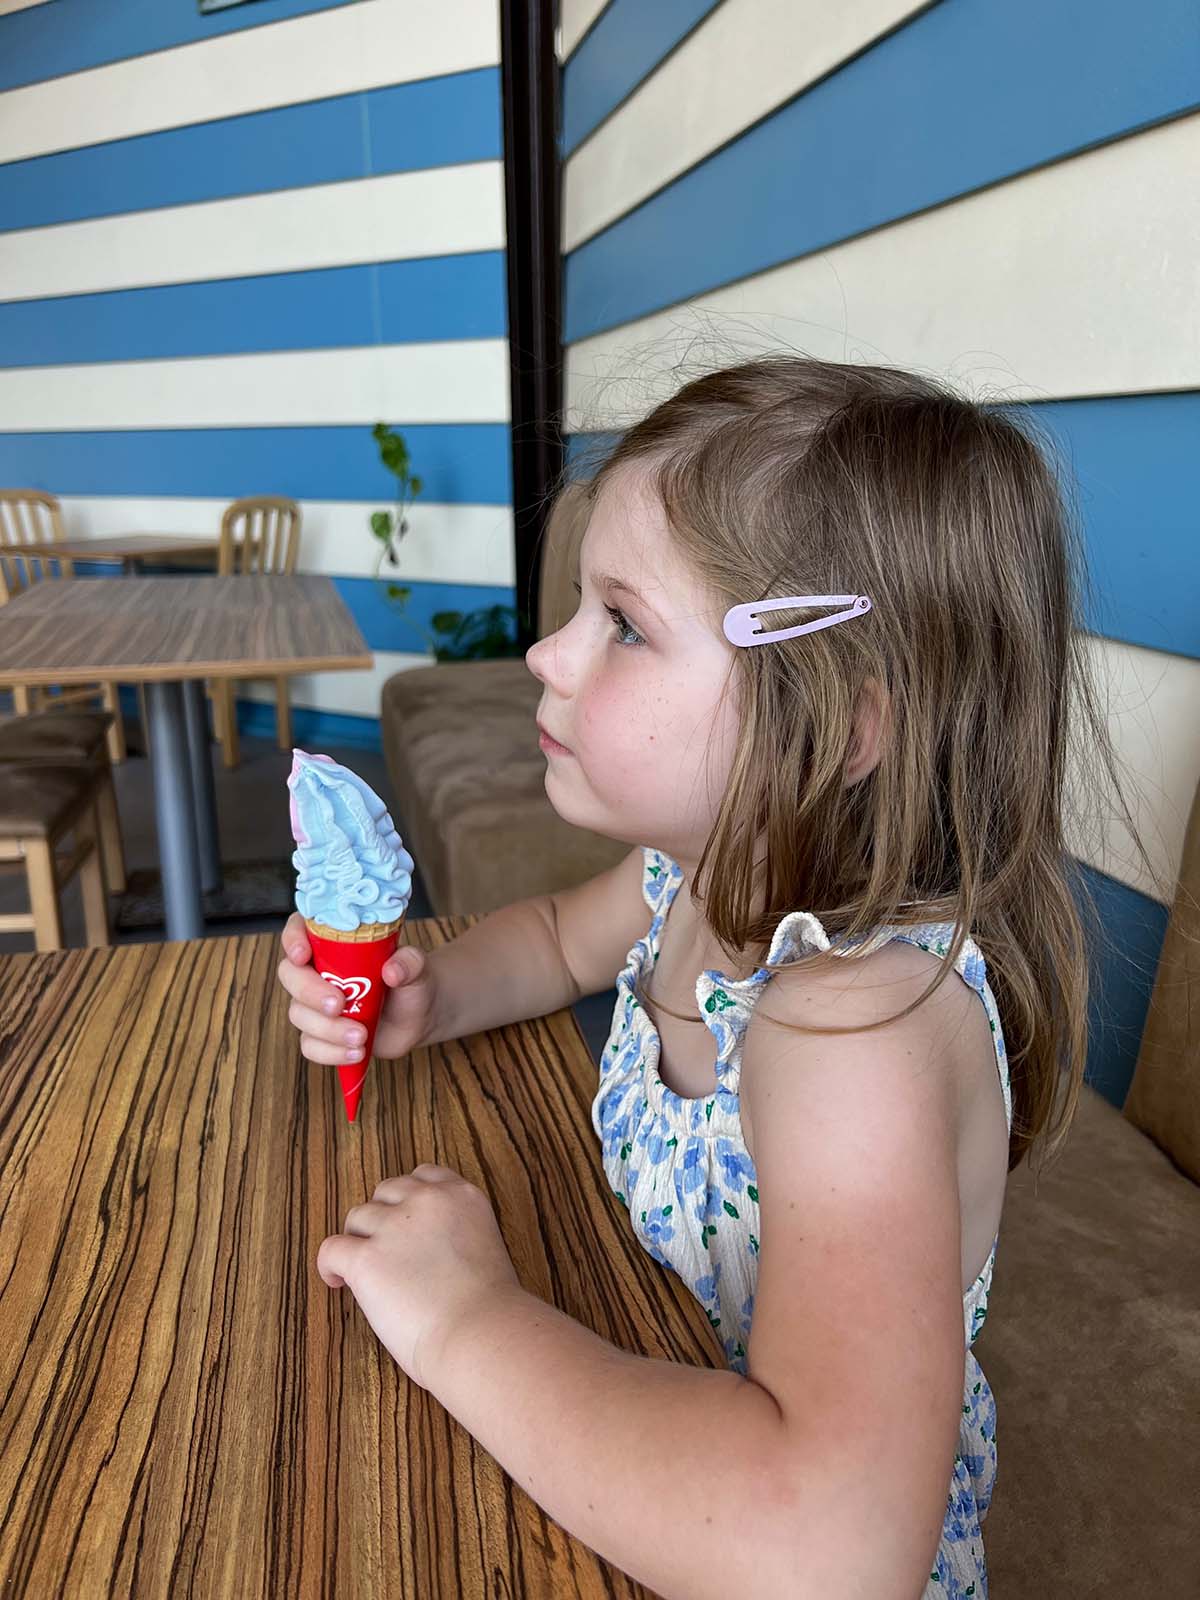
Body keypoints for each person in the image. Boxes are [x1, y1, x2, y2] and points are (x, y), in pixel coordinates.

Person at [276, 355, 1119, 1598]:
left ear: (836, 727)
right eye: (578, 604)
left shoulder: (854, 1030)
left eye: (622, 622)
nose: (546, 651)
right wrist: (434, 990)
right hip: (635, 1413)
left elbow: (823, 1549)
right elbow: (562, 940)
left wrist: (466, 1319)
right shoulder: (693, 877)